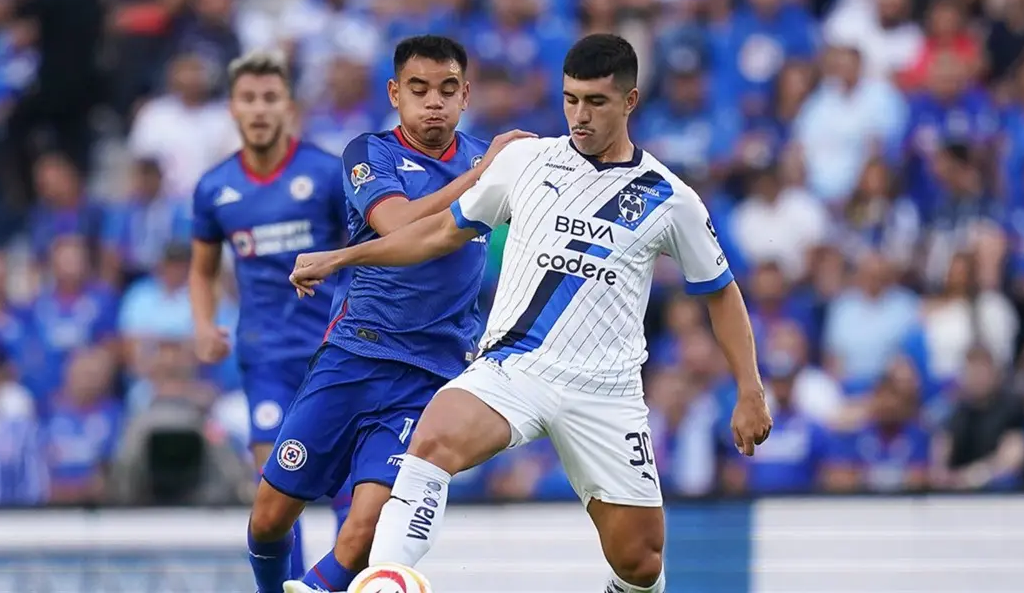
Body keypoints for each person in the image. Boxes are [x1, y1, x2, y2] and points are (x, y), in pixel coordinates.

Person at [289, 34, 773, 593]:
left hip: (605, 391)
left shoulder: (671, 197)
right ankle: (389, 581)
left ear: (630, 101)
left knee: (640, 560)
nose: (580, 115)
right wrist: (344, 257)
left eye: (596, 102)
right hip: (513, 369)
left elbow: (721, 292)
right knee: (432, 439)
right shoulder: (526, 161)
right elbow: (437, 234)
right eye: (570, 100)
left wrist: (750, 389)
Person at [250, 35, 531, 593]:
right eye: (420, 89)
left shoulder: (491, 160)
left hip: (429, 377)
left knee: (362, 535)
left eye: (448, 90)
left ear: (466, 95)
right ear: (395, 93)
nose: (434, 103)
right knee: (268, 519)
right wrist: (482, 176)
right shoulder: (370, 152)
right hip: (354, 355)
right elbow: (400, 226)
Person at [187, 50, 349, 582]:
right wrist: (203, 323)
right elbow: (202, 268)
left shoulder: (327, 174)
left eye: (269, 98)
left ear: (289, 107)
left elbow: (365, 250)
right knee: (277, 488)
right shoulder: (215, 189)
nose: (259, 110)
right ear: (232, 109)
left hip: (336, 352)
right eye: (248, 99)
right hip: (267, 357)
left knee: (348, 488)